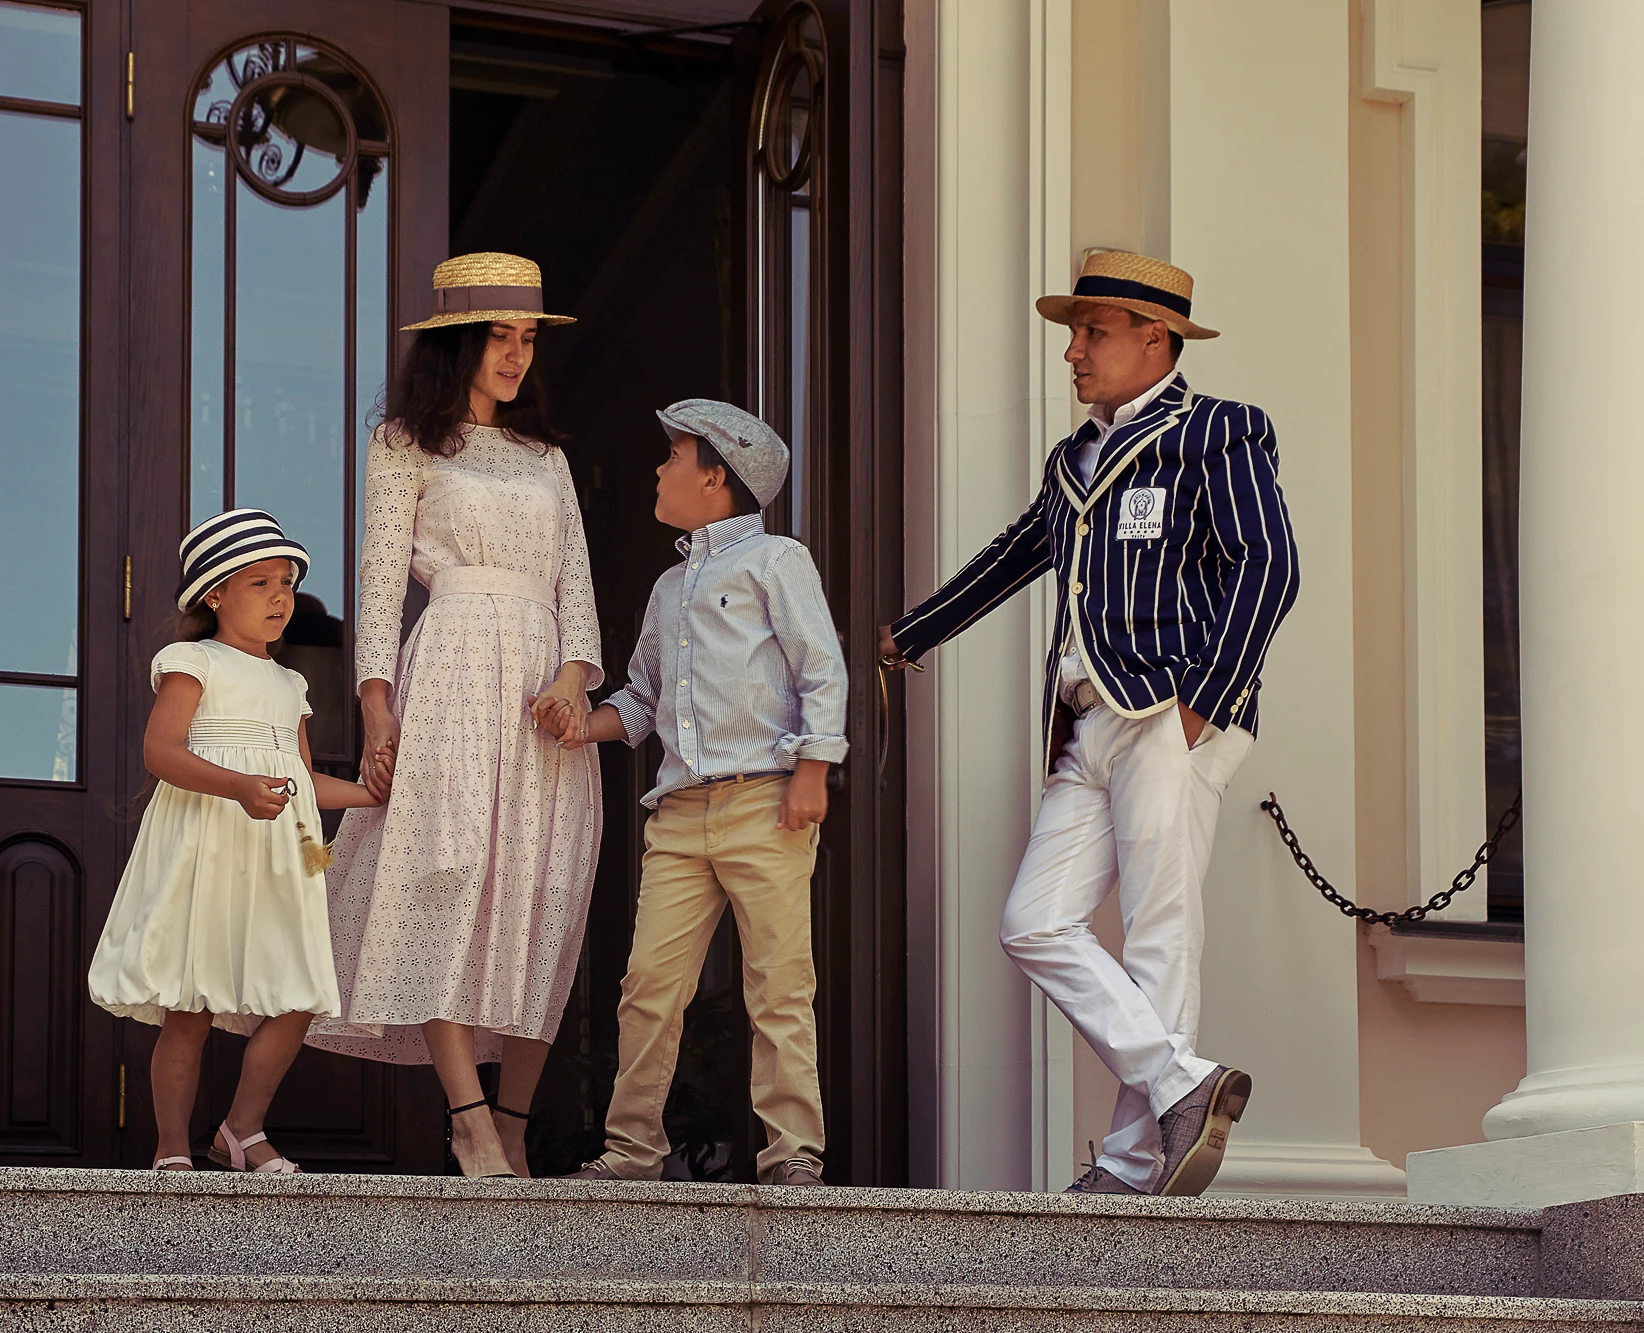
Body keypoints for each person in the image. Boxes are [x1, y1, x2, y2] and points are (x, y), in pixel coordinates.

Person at [879, 250, 1299, 1197]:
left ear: (1156, 337)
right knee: (1033, 922)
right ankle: (1182, 1085)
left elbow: (1269, 567)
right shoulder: (1074, 458)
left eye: (1092, 331)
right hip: (1083, 727)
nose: (1072, 351)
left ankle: (1126, 1165)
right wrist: (907, 636)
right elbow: (1015, 553)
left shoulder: (1220, 433)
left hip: (1166, 710)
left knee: (1159, 932)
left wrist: (1205, 703)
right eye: (1074, 332)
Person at [307, 252, 603, 1180]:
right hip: (450, 671)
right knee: (448, 874)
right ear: (457, 344)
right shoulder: (404, 444)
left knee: (544, 894)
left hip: (540, 699)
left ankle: (513, 1120)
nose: (516, 356)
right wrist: (376, 707)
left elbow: (582, 596)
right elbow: (381, 581)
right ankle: (469, 1119)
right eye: (499, 337)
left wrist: (573, 675)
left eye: (526, 340)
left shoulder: (546, 458)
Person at [556, 400, 847, 1187]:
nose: (658, 469)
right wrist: (586, 725)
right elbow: (643, 698)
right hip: (680, 816)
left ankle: (793, 1153)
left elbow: (821, 666)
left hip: (764, 799)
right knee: (648, 987)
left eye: (673, 455)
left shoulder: (776, 561)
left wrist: (815, 769)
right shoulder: (667, 586)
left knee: (780, 983)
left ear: (716, 475)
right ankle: (631, 1151)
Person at [89, 509, 382, 1173]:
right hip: (209, 847)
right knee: (192, 1000)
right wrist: (238, 786)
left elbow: (304, 780)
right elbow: (160, 750)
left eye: (287, 582)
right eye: (260, 583)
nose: (281, 595)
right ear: (214, 594)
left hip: (283, 854)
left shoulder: (291, 683)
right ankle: (171, 1149)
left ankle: (241, 1130)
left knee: (301, 993)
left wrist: (371, 794)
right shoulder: (193, 660)